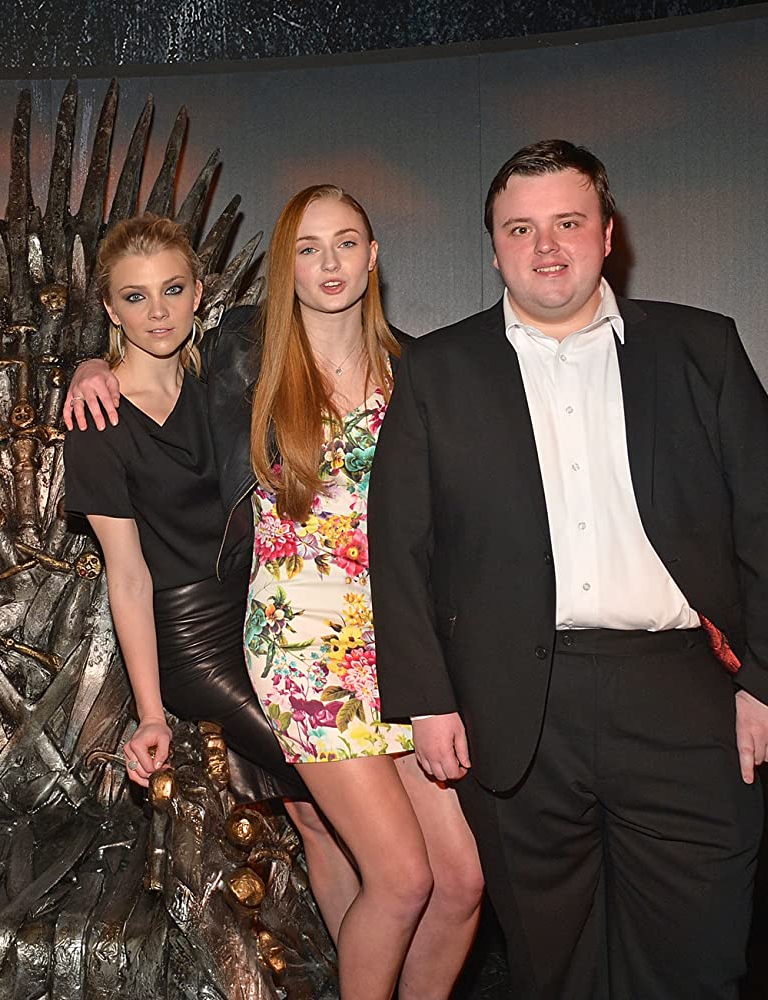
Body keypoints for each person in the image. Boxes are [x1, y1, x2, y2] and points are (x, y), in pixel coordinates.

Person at [370, 139, 768, 999]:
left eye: (567, 223)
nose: (545, 246)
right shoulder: (437, 370)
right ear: (494, 247)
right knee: (554, 970)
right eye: (520, 228)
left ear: (607, 234)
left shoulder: (701, 347)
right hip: (513, 715)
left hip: (684, 699)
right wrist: (427, 701)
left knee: (695, 964)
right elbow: (400, 546)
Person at [67, 195, 483, 1000]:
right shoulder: (249, 356)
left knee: (458, 881)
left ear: (373, 255)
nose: (328, 264)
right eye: (308, 248)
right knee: (397, 874)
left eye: (347, 243)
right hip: (291, 639)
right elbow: (128, 569)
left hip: (395, 638)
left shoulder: (409, 371)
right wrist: (90, 367)